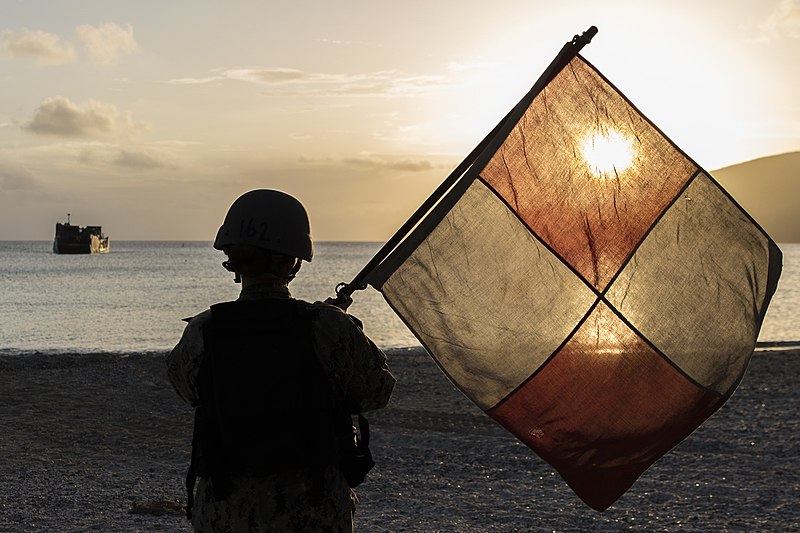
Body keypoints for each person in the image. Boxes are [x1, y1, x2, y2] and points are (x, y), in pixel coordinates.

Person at [167, 189, 395, 532]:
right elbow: (376, 392)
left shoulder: (203, 330)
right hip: (313, 509)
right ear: (294, 260)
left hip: (226, 511)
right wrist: (344, 328)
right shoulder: (327, 327)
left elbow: (188, 391)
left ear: (232, 257)